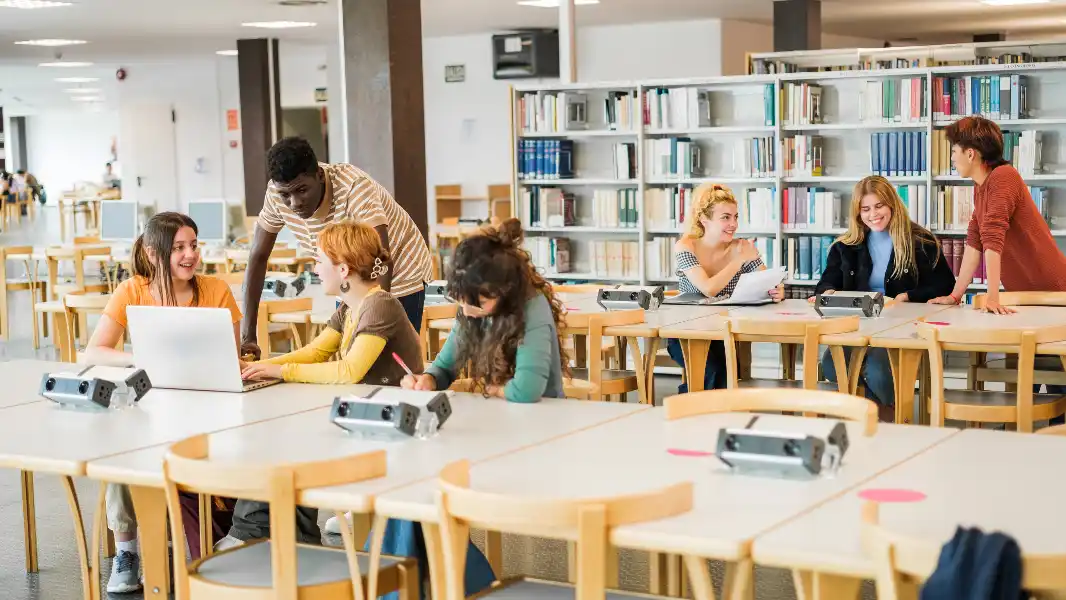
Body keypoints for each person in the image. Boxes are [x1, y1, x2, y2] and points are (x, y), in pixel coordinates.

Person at [218, 221, 426, 551]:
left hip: (389, 429)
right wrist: (265, 366)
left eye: (319, 261)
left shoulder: (379, 304)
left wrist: (282, 371)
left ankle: (260, 535)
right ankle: (262, 532)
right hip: (364, 416)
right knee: (282, 435)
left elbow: (350, 371)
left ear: (342, 269)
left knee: (289, 440)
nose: (314, 268)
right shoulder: (350, 306)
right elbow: (317, 350)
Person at [83, 212, 242, 594]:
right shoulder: (132, 291)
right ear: (154, 254)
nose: (191, 255)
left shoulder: (216, 290)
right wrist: (140, 362)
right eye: (180, 248)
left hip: (207, 405)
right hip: (152, 403)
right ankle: (127, 552)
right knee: (121, 449)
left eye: (194, 245)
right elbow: (95, 351)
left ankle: (210, 532)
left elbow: (230, 359)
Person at [240, 136, 432, 361]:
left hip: (400, 271)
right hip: (349, 278)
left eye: (302, 190)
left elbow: (381, 258)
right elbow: (258, 256)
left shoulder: (353, 187)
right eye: (286, 195)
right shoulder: (275, 193)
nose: (294, 203)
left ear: (320, 176)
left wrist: (376, 317)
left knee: (389, 364)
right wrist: (248, 335)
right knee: (352, 359)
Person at [815, 176, 956, 421]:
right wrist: (827, 292)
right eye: (866, 209)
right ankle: (885, 416)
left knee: (879, 371)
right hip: (857, 328)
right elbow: (827, 282)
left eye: (879, 206)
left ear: (892, 204)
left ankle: (882, 418)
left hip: (901, 330)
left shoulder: (921, 241)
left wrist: (907, 296)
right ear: (858, 213)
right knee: (830, 365)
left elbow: (945, 285)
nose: (873, 214)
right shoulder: (845, 246)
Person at [402, 218, 568, 402]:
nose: (466, 311)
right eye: (461, 301)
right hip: (501, 414)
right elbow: (444, 367)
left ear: (504, 290)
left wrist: (495, 390)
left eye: (477, 302)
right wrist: (429, 379)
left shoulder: (532, 308)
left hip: (543, 415)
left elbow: (526, 390)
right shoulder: (474, 307)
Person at [930, 115, 1066, 313]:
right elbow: (975, 241)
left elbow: (993, 238)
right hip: (1027, 295)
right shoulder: (980, 186)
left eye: (953, 151)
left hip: (1053, 292)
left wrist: (992, 297)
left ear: (970, 154)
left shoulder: (1003, 176)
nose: (951, 158)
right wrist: (955, 296)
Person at [665, 183, 784, 393]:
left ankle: (706, 414)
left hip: (723, 331)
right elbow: (708, 289)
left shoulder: (742, 247)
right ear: (704, 220)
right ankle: (693, 414)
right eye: (725, 217)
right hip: (686, 331)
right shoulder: (686, 246)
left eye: (736, 217)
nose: (733, 224)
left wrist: (776, 289)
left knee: (725, 377)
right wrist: (737, 261)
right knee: (712, 372)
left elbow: (766, 279)